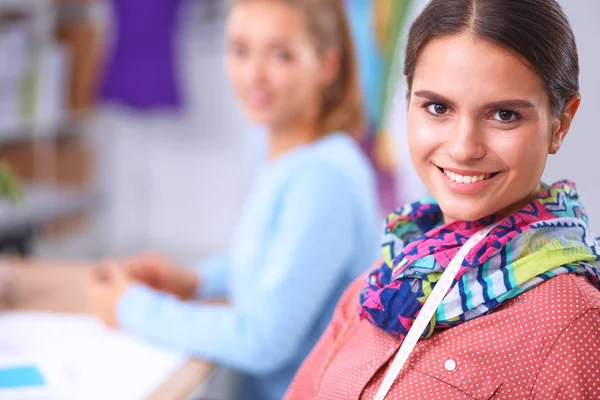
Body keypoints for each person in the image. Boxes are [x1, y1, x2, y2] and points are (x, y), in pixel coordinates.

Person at [284, 0, 600, 398]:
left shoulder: (573, 324)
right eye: (438, 107)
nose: (464, 148)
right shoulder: (389, 273)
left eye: (503, 115)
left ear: (561, 123)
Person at [86, 0, 381, 399]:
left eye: (280, 55)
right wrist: (198, 280)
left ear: (327, 66)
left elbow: (264, 340)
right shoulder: (292, 157)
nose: (253, 75)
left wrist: (128, 307)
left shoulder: (322, 177)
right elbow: (281, 261)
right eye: (240, 50)